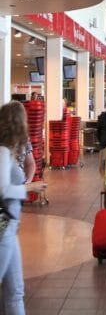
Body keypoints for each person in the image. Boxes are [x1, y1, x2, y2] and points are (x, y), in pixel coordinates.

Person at [0, 101, 45, 314]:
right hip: (3, 229)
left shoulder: (11, 150)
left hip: (10, 228)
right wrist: (30, 187)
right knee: (13, 292)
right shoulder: (2, 153)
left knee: (16, 291)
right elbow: (2, 190)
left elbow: (30, 163)